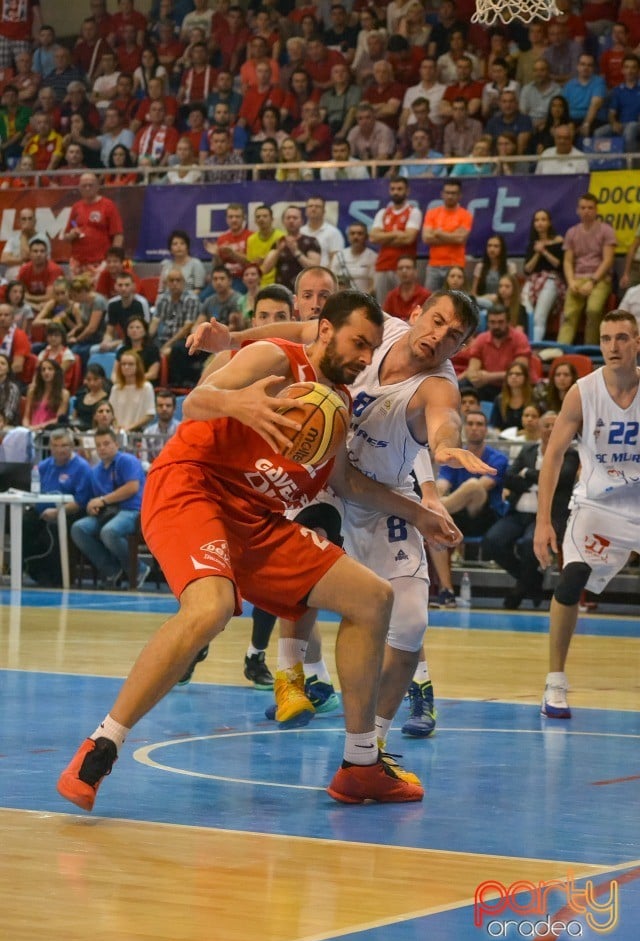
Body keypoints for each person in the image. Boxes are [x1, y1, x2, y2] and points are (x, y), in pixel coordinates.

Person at [57, 289, 446, 812]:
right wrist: (238, 402)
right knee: (212, 607)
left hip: (253, 519)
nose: (363, 356)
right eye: (358, 342)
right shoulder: (277, 358)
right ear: (325, 330)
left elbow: (348, 483)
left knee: (373, 599)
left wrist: (419, 511)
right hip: (193, 487)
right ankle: (100, 746)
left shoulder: (338, 403)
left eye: (371, 348)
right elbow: (196, 401)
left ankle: (360, 765)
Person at [189, 290, 489, 746]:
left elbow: (445, 414)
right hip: (326, 475)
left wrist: (445, 445)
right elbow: (299, 333)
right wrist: (233, 338)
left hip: (382, 493)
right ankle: (290, 674)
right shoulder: (378, 330)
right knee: (312, 532)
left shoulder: (437, 383)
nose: (438, 336)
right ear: (416, 314)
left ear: (461, 348)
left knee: (410, 626)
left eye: (454, 335)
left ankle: (373, 745)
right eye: (436, 320)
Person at [534, 310, 640, 719]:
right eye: (606, 338)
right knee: (572, 577)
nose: (613, 346)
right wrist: (544, 520)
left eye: (622, 338)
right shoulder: (582, 392)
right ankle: (555, 682)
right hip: (597, 503)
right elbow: (554, 455)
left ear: (636, 343)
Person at [483, 410, 579, 609]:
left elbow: (563, 478)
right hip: (518, 513)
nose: (551, 429)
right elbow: (508, 477)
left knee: (530, 544)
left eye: (555, 425)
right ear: (539, 428)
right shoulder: (527, 451)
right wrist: (535, 482)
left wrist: (527, 473)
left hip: (547, 515)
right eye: (547, 425)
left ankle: (518, 591)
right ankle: (532, 583)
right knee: (492, 540)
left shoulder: (570, 454)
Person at [429, 409, 509, 607]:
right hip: (456, 513)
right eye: (471, 424)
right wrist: (435, 495)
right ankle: (446, 591)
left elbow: (483, 486)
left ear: (486, 429)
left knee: (473, 485)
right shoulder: (454, 458)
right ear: (465, 428)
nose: (474, 428)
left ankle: (429, 510)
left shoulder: (498, 458)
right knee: (435, 526)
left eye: (479, 424)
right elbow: (442, 484)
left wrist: (436, 503)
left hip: (483, 514)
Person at [70, 426, 149, 589]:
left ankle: (139, 569)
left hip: (132, 511)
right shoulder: (95, 471)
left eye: (106, 443)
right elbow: (96, 500)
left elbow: (132, 487)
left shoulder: (127, 460)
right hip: (108, 514)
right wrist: (92, 507)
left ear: (116, 444)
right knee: (79, 528)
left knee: (109, 531)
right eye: (98, 445)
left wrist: (103, 500)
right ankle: (112, 570)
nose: (102, 448)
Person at [22, 428, 93, 586]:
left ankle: (56, 578)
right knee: (24, 523)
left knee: (54, 528)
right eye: (55, 445)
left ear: (72, 446)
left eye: (64, 445)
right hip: (43, 512)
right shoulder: (43, 466)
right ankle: (30, 568)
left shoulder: (82, 468)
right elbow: (35, 492)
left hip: (69, 513)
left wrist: (58, 512)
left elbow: (80, 502)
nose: (59, 449)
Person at [560, 192, 617, 345]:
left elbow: (608, 260)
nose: (586, 211)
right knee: (568, 314)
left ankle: (590, 349)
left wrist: (592, 281)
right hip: (577, 278)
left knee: (593, 310)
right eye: (583, 208)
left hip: (600, 279)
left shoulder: (606, 230)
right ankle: (561, 350)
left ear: (596, 210)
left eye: (590, 208)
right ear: (578, 210)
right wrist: (571, 281)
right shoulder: (571, 232)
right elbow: (567, 261)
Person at [461, 303, 532, 401]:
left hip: (511, 385)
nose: (496, 326)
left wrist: (489, 377)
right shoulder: (481, 339)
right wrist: (475, 376)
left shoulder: (520, 338)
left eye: (500, 322)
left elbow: (520, 371)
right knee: (464, 385)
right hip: (487, 387)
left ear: (508, 322)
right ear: (488, 323)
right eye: (492, 322)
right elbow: (473, 370)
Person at [369, 176, 422, 303]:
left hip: (405, 268)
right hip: (382, 265)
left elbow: (408, 238)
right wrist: (397, 233)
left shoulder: (413, 212)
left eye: (399, 189)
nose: (396, 192)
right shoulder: (383, 212)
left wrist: (385, 236)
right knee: (383, 307)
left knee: (405, 304)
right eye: (393, 189)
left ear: (407, 191)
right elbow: (373, 237)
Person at [62, 173, 125, 278]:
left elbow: (118, 234)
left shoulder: (108, 205)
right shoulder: (76, 207)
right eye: (84, 185)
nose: (87, 188)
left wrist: (113, 260)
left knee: (99, 294)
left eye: (90, 185)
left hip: (100, 262)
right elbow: (66, 235)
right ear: (79, 188)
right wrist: (72, 234)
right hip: (77, 262)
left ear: (97, 187)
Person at [522, 208, 566, 342]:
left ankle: (535, 348)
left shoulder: (558, 241)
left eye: (543, 219)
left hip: (551, 280)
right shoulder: (532, 245)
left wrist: (544, 251)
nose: (540, 223)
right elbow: (527, 269)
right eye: (537, 220)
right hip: (533, 281)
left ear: (549, 223)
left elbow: (559, 265)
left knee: (539, 317)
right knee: (527, 313)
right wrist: (537, 252)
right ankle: (526, 344)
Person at [421, 179, 473, 293]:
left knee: (456, 301)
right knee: (430, 301)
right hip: (434, 265)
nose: (450, 196)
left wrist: (438, 233)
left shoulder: (465, 215)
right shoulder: (432, 213)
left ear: (460, 195)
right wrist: (451, 236)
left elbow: (460, 239)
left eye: (453, 193)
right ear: (442, 194)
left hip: (455, 266)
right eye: (447, 192)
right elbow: (426, 237)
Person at [261, 206, 321, 292]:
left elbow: (315, 268)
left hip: (305, 291)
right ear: (283, 222)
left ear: (301, 221)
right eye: (288, 218)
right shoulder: (278, 242)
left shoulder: (311, 242)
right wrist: (278, 251)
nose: (291, 221)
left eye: (295, 218)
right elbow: (265, 269)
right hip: (282, 292)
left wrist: (296, 251)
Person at [108, 351, 156, 433]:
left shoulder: (146, 387)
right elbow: (111, 412)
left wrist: (130, 428)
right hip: (118, 431)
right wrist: (117, 427)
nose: (126, 367)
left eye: (130, 364)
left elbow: (150, 414)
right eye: (123, 364)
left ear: (137, 366)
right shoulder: (116, 388)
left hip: (138, 432)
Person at [471, 235, 517, 311]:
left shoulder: (510, 267)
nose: (492, 249)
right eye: (489, 246)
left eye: (496, 246)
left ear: (502, 249)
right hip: (484, 303)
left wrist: (497, 298)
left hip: (504, 303)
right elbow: (473, 294)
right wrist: (487, 297)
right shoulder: (480, 267)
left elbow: (514, 292)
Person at [22, 359, 70, 432]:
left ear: (56, 372)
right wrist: (26, 427)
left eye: (50, 369)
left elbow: (58, 419)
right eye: (43, 370)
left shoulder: (64, 394)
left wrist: (38, 427)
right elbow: (26, 416)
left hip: (50, 431)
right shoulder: (32, 391)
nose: (46, 372)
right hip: (31, 429)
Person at [300, 196, 345, 271]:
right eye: (310, 206)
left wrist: (323, 275)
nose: (313, 209)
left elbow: (335, 261)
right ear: (306, 211)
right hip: (302, 277)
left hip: (324, 277)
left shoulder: (333, 232)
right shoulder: (300, 232)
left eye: (317, 207)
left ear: (324, 211)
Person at [139, 389, 180, 470]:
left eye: (168, 405)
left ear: (174, 408)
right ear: (156, 408)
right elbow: (144, 461)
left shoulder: (182, 430)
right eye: (160, 405)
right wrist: (155, 470)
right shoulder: (148, 432)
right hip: (154, 471)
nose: (164, 408)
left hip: (176, 472)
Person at [382, 256, 430, 322]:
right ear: (396, 272)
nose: (404, 271)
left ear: (415, 271)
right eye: (400, 268)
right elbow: (385, 319)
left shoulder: (425, 295)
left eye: (408, 267)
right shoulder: (391, 295)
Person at [332, 222, 377, 294]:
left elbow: (374, 286)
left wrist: (363, 300)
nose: (356, 237)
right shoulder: (339, 256)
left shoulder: (373, 257)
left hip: (364, 300)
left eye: (360, 234)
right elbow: (332, 281)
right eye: (352, 233)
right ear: (348, 237)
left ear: (366, 237)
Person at [158, 229, 206, 295]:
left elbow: (198, 290)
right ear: (170, 249)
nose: (179, 246)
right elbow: (160, 290)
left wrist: (180, 299)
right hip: (167, 302)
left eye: (182, 243)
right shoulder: (166, 265)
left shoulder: (196, 264)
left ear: (187, 247)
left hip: (189, 301)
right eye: (175, 244)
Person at [489, 360, 533, 432]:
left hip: (528, 439)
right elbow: (494, 426)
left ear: (525, 377)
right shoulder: (499, 399)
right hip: (504, 440)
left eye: (518, 374)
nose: (513, 376)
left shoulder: (533, 398)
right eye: (510, 374)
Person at [71, 363, 109, 432]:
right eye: (89, 380)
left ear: (103, 379)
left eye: (96, 379)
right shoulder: (80, 396)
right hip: (78, 430)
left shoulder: (107, 398)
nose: (92, 383)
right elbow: (74, 417)